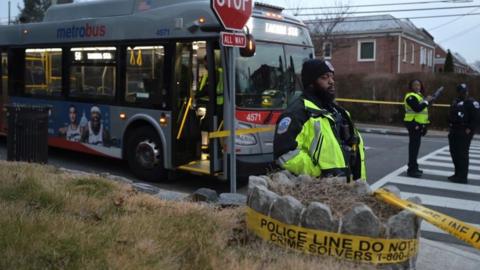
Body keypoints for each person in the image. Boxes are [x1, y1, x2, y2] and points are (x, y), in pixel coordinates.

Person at [273, 59, 366, 180]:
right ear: (311, 83)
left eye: (332, 77)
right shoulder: (298, 114)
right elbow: (284, 154)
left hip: (350, 189)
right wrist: (318, 173)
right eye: (324, 77)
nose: (331, 81)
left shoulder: (337, 111)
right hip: (324, 191)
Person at [448, 83, 479, 183]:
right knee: (454, 153)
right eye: (461, 91)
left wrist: (470, 129)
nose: (464, 93)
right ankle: (457, 173)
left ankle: (462, 177)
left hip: (464, 131)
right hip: (454, 130)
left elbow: (476, 118)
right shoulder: (455, 101)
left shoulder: (472, 102)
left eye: (465, 91)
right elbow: (451, 114)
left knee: (462, 154)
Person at [403, 79, 434, 178]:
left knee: (415, 148)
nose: (417, 87)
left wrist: (430, 101)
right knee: (413, 148)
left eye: (419, 85)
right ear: (411, 86)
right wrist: (426, 101)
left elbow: (424, 107)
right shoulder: (410, 96)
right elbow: (417, 108)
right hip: (413, 123)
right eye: (415, 85)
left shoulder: (420, 95)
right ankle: (411, 169)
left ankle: (414, 167)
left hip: (419, 124)